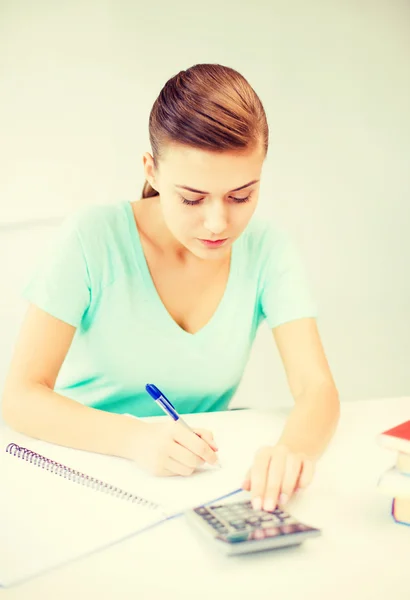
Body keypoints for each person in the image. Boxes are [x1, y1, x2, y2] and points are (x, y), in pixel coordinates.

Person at [1, 63, 340, 512]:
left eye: (241, 196)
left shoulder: (268, 250)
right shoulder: (91, 238)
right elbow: (20, 397)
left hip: (191, 485)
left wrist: (292, 453)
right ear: (152, 172)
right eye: (192, 198)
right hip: (81, 470)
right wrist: (135, 438)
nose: (219, 223)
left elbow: (317, 388)